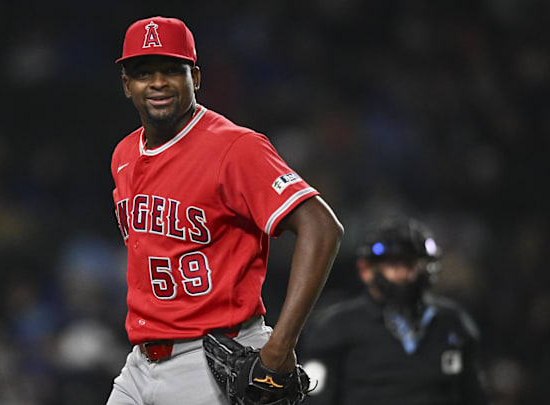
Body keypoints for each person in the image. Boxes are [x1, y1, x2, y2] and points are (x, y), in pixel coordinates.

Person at [107, 16, 344, 405]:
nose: (158, 83)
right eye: (143, 72)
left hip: (214, 359)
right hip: (139, 362)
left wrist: (279, 347)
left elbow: (322, 227)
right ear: (126, 85)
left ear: (195, 77)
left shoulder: (235, 148)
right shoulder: (124, 155)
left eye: (172, 70)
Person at [299, 216, 490, 405]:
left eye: (412, 265)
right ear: (366, 270)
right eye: (393, 265)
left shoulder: (453, 323)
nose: (404, 274)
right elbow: (315, 400)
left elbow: (474, 396)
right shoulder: (335, 327)